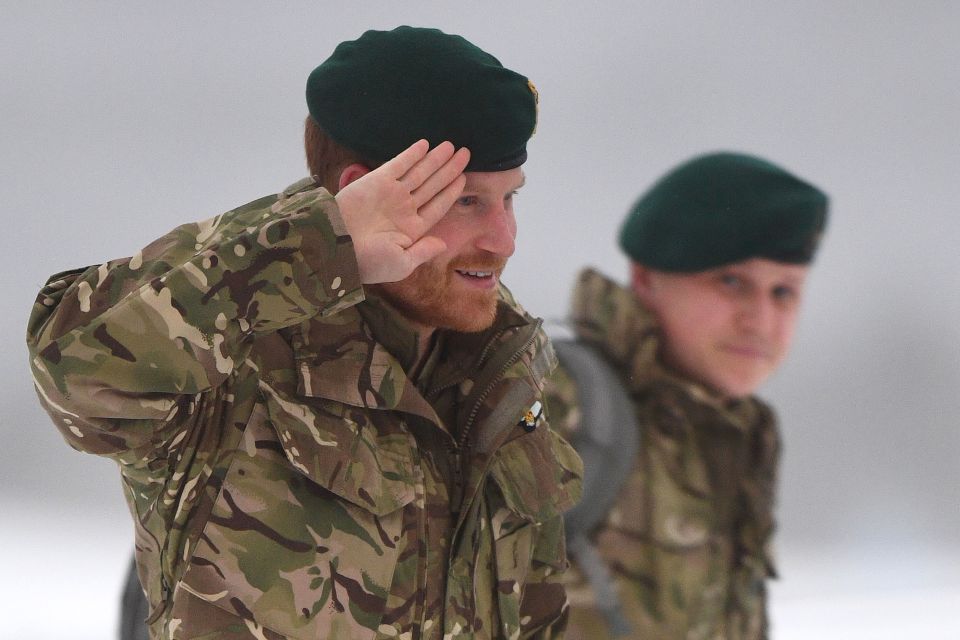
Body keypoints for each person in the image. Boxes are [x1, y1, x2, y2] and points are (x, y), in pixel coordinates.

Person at [27, 26, 582, 640]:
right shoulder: (235, 363)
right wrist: (318, 241)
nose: (505, 241)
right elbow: (74, 366)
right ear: (356, 199)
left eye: (510, 200)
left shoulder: (502, 371)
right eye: (468, 203)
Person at [545, 151, 828, 639]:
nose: (759, 320)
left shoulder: (739, 432)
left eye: (784, 292)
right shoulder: (558, 402)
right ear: (645, 279)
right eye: (731, 282)